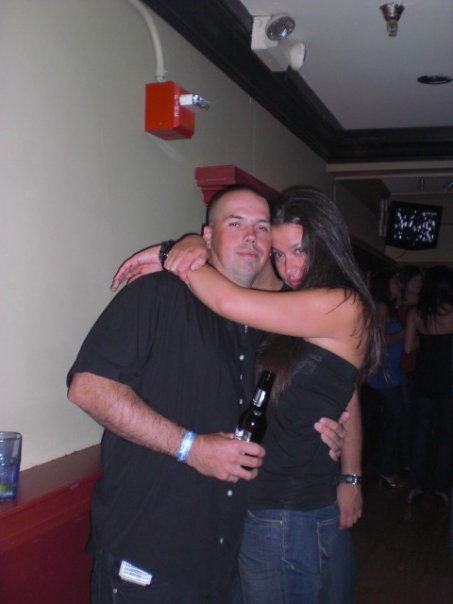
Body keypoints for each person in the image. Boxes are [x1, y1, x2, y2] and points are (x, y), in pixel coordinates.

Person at [67, 185, 346, 604]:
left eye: (262, 227)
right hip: (149, 556)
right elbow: (88, 388)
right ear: (208, 237)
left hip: (225, 559)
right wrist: (191, 448)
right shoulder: (158, 292)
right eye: (235, 223)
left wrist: (325, 428)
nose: (251, 236)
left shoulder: (263, 321)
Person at [404, 265, 453, 506]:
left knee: (420, 432)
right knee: (446, 435)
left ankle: (416, 486)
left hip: (424, 378)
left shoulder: (416, 313)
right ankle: (442, 489)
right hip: (449, 379)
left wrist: (426, 343)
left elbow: (408, 348)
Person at [365, 268, 405, 488]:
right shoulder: (381, 306)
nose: (399, 285)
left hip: (392, 372)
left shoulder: (389, 307)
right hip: (384, 374)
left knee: (392, 421)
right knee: (397, 420)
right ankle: (385, 467)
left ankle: (383, 464)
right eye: (394, 282)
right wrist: (404, 333)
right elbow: (379, 341)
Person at [396, 265, 424, 471]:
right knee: (408, 415)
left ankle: (412, 461)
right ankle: (407, 462)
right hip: (405, 365)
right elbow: (407, 344)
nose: (419, 283)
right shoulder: (403, 308)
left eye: (420, 280)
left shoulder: (423, 307)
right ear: (405, 283)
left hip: (421, 366)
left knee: (416, 414)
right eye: (415, 280)